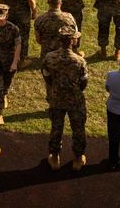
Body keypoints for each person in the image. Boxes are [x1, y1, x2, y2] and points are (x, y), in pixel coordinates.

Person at [42, 24, 89, 172]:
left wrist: (56, 87)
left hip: (56, 98)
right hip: (75, 99)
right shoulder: (79, 61)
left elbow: (46, 76)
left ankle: (55, 158)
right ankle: (78, 160)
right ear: (72, 41)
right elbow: (83, 82)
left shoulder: (50, 57)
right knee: (78, 129)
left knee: (56, 128)